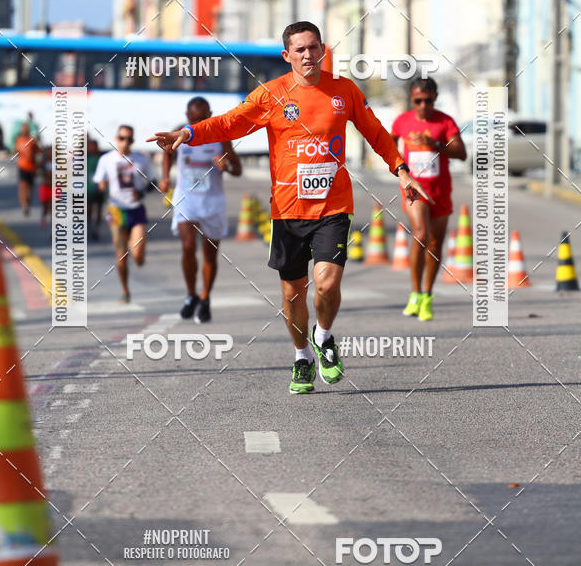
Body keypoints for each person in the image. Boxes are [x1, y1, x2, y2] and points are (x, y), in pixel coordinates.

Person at [149, 21, 430, 394]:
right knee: (292, 293)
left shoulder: (343, 90)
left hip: (333, 206)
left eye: (313, 47)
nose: (307, 55)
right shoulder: (271, 95)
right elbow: (231, 123)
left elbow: (376, 133)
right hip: (287, 211)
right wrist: (188, 134)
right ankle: (302, 357)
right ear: (287, 56)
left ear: (323, 49)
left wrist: (402, 170)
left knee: (327, 284)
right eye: (299, 50)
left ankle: (324, 336)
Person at [159, 97, 242, 323]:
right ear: (187, 116)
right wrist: (165, 177)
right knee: (187, 246)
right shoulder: (180, 134)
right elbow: (168, 155)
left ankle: (204, 297)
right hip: (186, 199)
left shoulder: (220, 136)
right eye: (193, 118)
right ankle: (190, 295)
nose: (196, 122)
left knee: (209, 254)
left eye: (202, 118)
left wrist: (226, 166)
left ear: (209, 115)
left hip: (213, 202)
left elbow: (238, 170)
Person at [392, 76, 466, 321]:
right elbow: (388, 145)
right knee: (421, 234)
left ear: (435, 98)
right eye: (418, 101)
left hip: (440, 192)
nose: (423, 105)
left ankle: (427, 295)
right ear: (412, 99)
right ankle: (414, 292)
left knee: (434, 244)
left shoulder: (445, 121)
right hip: (414, 189)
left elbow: (461, 152)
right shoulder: (403, 121)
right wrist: (398, 167)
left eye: (428, 100)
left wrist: (435, 143)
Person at [93, 124, 153, 303]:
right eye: (122, 138)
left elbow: (152, 183)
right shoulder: (106, 159)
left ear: (133, 141)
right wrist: (101, 187)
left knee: (137, 255)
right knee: (121, 255)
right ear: (116, 138)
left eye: (129, 139)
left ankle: (138, 256)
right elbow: (98, 182)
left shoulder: (141, 160)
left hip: (136, 210)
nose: (125, 142)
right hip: (116, 211)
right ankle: (125, 291)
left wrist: (141, 193)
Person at [14, 122, 40, 216]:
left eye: (25, 129)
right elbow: (15, 150)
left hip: (31, 167)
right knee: (22, 186)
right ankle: (24, 205)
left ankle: (27, 201)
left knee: (30, 188)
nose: (24, 130)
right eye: (23, 129)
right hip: (22, 166)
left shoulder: (32, 141)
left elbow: (38, 152)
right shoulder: (19, 140)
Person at [87, 137, 105, 241]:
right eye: (91, 146)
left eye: (95, 146)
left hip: (99, 189)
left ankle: (96, 229)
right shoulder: (85, 159)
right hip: (88, 189)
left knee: (98, 209)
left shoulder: (101, 159)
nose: (93, 148)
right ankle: (89, 226)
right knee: (88, 210)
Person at [37, 145, 52, 228]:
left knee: (53, 206)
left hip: (54, 187)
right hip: (45, 187)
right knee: (45, 206)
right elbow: (38, 172)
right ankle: (43, 217)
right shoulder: (44, 163)